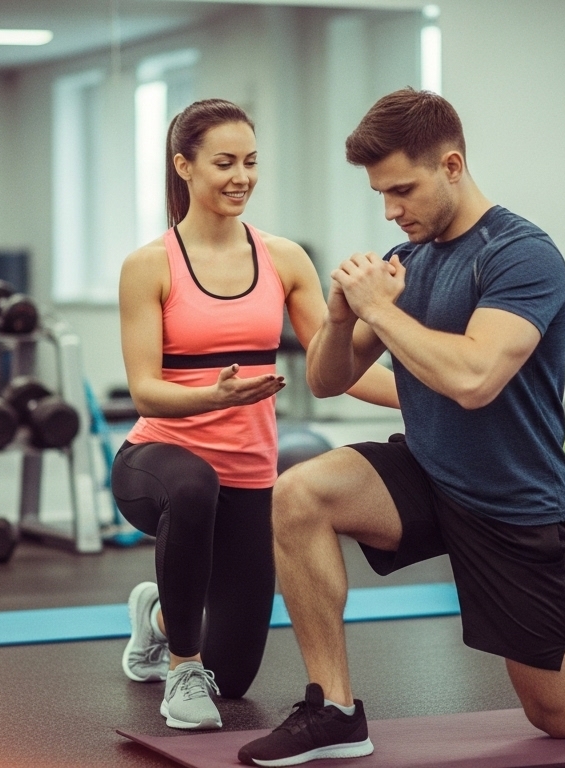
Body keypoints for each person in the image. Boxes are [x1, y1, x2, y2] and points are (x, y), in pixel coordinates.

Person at [237, 89, 565, 767]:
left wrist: (381, 314)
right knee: (298, 495)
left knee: (563, 713)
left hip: (513, 500)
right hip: (428, 470)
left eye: (402, 190)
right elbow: (328, 381)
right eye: (380, 194)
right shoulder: (408, 262)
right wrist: (338, 315)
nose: (391, 210)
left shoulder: (522, 256)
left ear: (451, 165)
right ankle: (332, 709)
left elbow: (475, 378)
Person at [113, 98, 399, 732]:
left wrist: (426, 392)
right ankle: (181, 670)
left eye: (250, 161)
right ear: (183, 166)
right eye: (224, 162)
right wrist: (212, 399)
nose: (241, 176)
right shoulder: (149, 266)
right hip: (155, 464)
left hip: (248, 478)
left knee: (237, 677)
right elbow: (145, 391)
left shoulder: (283, 259)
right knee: (193, 484)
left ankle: (157, 618)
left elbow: (337, 373)